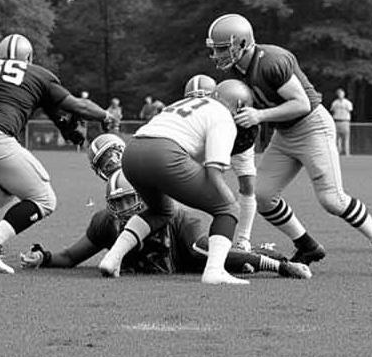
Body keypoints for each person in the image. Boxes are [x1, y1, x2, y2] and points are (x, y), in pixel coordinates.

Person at [204, 14, 372, 277]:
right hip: (284, 132)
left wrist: (260, 116)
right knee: (262, 196)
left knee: (332, 200)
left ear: (242, 43)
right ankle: (307, 246)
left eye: (222, 48)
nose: (217, 54)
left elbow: (301, 103)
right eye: (215, 48)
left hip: (312, 126)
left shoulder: (272, 61)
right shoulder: (236, 70)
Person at [0, 32, 113, 274]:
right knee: (44, 199)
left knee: (10, 181)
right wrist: (106, 115)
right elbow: (78, 105)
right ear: (29, 56)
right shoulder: (39, 73)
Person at [98, 78, 256, 286]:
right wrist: (227, 201)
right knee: (228, 209)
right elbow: (214, 168)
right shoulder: (223, 116)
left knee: (161, 211)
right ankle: (215, 271)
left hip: (132, 152)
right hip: (164, 155)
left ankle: (112, 258)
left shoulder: (184, 104)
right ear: (239, 106)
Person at [21, 168, 311, 278]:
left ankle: (278, 262)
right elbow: (71, 256)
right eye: (117, 202)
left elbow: (202, 251)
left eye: (129, 200)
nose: (123, 209)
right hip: (175, 268)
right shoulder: (104, 222)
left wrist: (279, 268)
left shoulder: (172, 216)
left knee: (208, 254)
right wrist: (43, 257)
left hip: (189, 250)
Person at [185, 72, 258, 252]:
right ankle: (194, 234)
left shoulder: (233, 108)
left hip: (237, 141)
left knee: (248, 185)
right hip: (205, 139)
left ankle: (243, 239)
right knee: (193, 184)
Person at [330, 88, 354, 156]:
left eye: (341, 93)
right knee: (337, 139)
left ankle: (347, 153)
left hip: (345, 121)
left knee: (346, 138)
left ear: (344, 94)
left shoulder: (347, 103)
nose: (340, 95)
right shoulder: (335, 103)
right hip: (337, 121)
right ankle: (337, 152)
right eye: (339, 93)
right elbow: (332, 110)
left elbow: (350, 110)